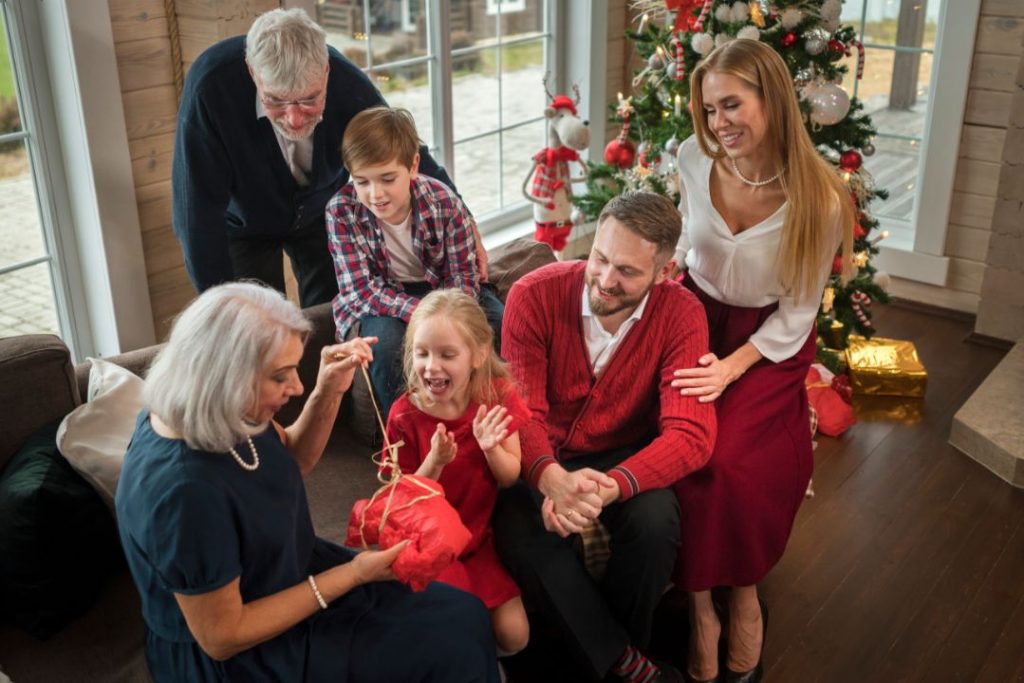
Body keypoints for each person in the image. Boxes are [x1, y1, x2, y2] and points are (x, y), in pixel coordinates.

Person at [115, 282, 499, 682]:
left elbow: (292, 460)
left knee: (464, 615)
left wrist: (327, 391)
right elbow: (223, 637)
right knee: (449, 646)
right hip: (251, 650)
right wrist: (354, 574)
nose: (296, 387)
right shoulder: (184, 495)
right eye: (281, 376)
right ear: (224, 377)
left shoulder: (221, 411)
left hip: (293, 572)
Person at [670, 39, 855, 683]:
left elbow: (798, 314)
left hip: (765, 343)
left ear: (771, 99)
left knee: (727, 463)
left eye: (732, 104)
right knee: (678, 449)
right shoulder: (692, 157)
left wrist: (729, 367)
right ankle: (699, 611)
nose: (719, 122)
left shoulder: (821, 197)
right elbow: (684, 251)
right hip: (692, 319)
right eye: (709, 107)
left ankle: (744, 595)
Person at [494, 191, 717, 682]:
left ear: (665, 271)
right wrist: (550, 477)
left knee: (656, 522)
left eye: (628, 272)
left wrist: (611, 485)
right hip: (543, 450)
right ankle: (626, 666)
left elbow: (692, 434)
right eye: (600, 257)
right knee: (515, 524)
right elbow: (523, 412)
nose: (605, 279)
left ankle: (610, 657)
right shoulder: (533, 294)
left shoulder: (682, 315)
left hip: (623, 456)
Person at [171, 8, 488, 308]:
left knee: (330, 315)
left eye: (310, 100)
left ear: (325, 71)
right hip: (243, 225)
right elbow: (196, 218)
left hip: (321, 210)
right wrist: (221, 309)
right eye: (276, 101)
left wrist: (465, 216)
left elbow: (403, 149)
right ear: (254, 74)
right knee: (253, 324)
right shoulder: (210, 90)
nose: (294, 119)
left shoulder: (347, 81)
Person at [327, 106, 504, 419]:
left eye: (387, 178)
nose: (375, 194)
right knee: (385, 346)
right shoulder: (340, 212)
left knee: (501, 323)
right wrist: (420, 314)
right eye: (362, 182)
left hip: (444, 290)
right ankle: (406, 430)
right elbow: (361, 290)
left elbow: (462, 275)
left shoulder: (443, 201)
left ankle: (492, 411)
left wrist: (445, 316)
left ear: (413, 166)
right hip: (379, 300)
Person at [385, 288, 530, 658]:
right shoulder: (403, 415)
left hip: (477, 541)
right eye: (422, 353)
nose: (432, 366)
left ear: (479, 354)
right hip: (429, 545)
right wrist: (434, 462)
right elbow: (398, 503)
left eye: (447, 355)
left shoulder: (496, 395)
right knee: (462, 631)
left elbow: (510, 475)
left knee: (516, 636)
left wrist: (489, 446)